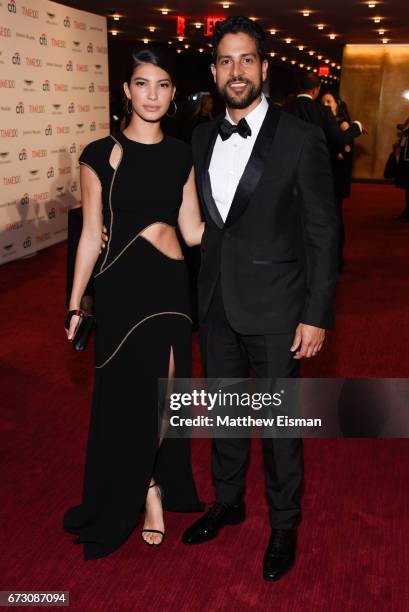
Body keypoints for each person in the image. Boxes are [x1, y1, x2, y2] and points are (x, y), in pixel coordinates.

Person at [180, 16, 338, 582]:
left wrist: (316, 314)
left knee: (278, 428)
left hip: (278, 309)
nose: (237, 71)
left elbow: (323, 232)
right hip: (217, 304)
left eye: (247, 59)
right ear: (215, 71)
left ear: (264, 68)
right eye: (226, 61)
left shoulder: (299, 138)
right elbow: (203, 224)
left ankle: (285, 523)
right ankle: (227, 500)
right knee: (223, 413)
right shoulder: (200, 137)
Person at [63, 46, 204, 560]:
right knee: (127, 393)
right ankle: (144, 486)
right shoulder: (99, 153)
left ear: (173, 93)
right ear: (126, 89)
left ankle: (155, 481)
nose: (153, 95)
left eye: (163, 85)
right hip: (121, 284)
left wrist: (250, 231)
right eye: (143, 83)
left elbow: (191, 231)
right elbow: (88, 235)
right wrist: (76, 301)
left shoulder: (182, 153)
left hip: (170, 284)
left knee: (168, 390)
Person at [283, 72, 363, 161]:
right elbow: (338, 140)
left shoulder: (284, 109)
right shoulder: (323, 111)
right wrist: (357, 126)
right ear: (316, 89)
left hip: (286, 163)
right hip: (313, 165)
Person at [321, 90, 355, 270]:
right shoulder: (324, 123)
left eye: (329, 102)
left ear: (337, 104)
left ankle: (337, 259)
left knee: (334, 219)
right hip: (323, 178)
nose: (325, 105)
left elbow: (346, 153)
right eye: (323, 102)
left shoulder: (342, 124)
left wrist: (335, 153)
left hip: (334, 179)